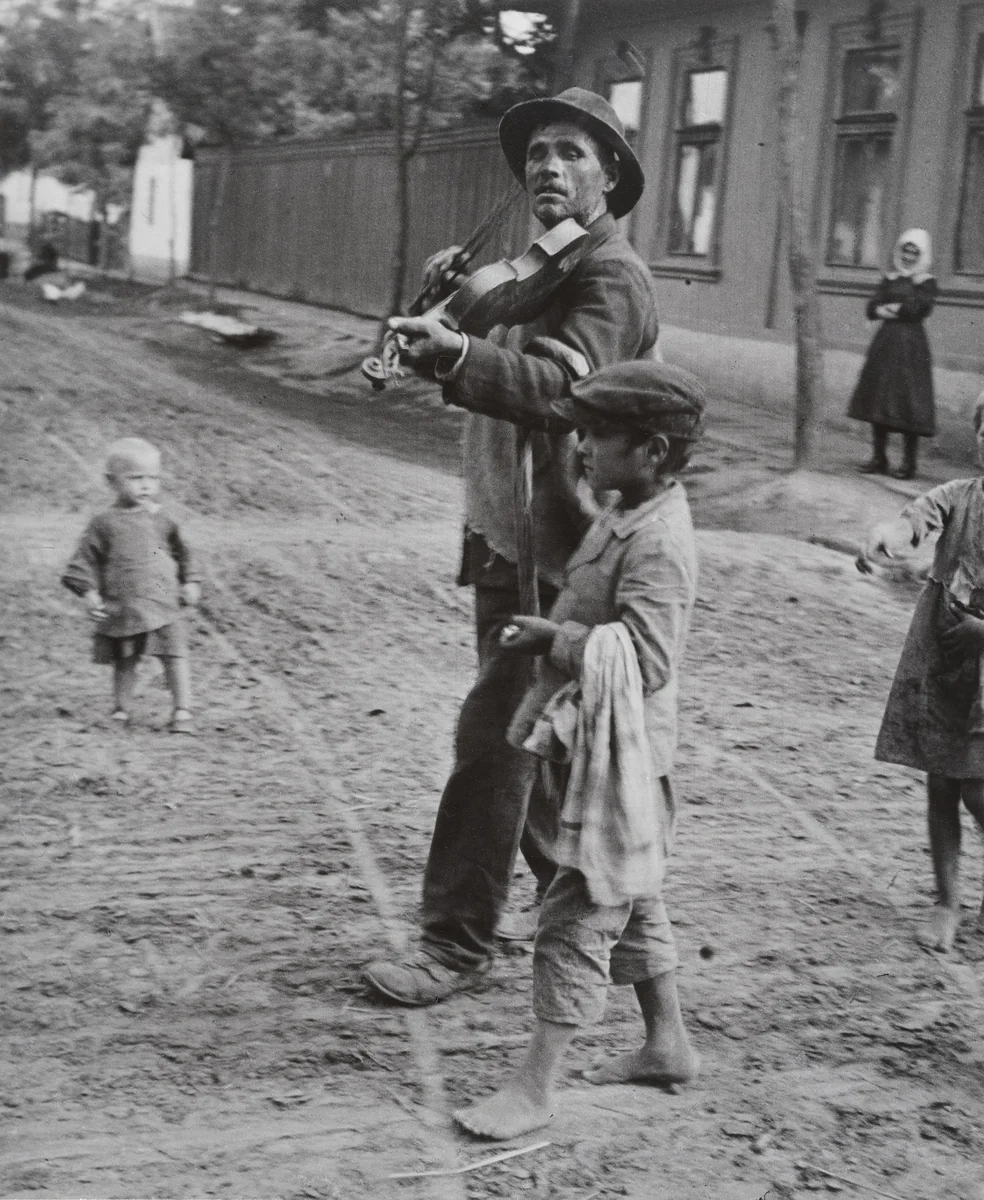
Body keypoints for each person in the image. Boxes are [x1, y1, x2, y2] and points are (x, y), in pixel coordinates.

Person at [362, 88, 660, 1007]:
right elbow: (486, 344)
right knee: (543, 752)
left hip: (564, 553)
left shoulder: (610, 277)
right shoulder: (532, 269)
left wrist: (455, 352)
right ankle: (608, 930)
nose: (547, 167)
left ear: (608, 173)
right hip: (507, 534)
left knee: (495, 737)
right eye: (536, 153)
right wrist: (446, 301)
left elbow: (553, 390)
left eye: (571, 153)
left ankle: (454, 943)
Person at [451, 359, 704, 1140]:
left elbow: (651, 658)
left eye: (597, 434)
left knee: (576, 914)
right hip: (598, 743)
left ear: (654, 451)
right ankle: (667, 1043)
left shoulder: (659, 540)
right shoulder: (627, 507)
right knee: (633, 895)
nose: (582, 446)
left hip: (625, 759)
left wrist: (556, 638)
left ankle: (534, 1088)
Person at [863, 392, 984, 952]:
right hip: (943, 664)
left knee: (979, 791)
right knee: (941, 780)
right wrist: (891, 537)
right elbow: (917, 519)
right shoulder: (960, 497)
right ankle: (947, 899)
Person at [62, 437, 200, 733]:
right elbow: (84, 560)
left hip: (164, 603)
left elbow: (183, 552)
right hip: (126, 606)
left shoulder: (164, 520)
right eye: (136, 478)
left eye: (152, 478)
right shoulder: (104, 523)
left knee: (174, 656)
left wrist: (189, 581)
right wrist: (89, 593)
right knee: (126, 660)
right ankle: (121, 710)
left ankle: (182, 711)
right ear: (111, 481)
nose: (146, 486)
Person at [848, 228, 938, 480]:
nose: (908, 257)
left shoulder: (926, 282)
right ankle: (879, 458)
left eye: (914, 252)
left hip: (911, 348)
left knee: (908, 401)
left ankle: (909, 464)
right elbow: (871, 307)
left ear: (922, 255)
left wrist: (888, 308)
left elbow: (918, 308)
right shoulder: (890, 279)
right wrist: (891, 309)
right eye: (905, 251)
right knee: (878, 397)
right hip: (885, 345)